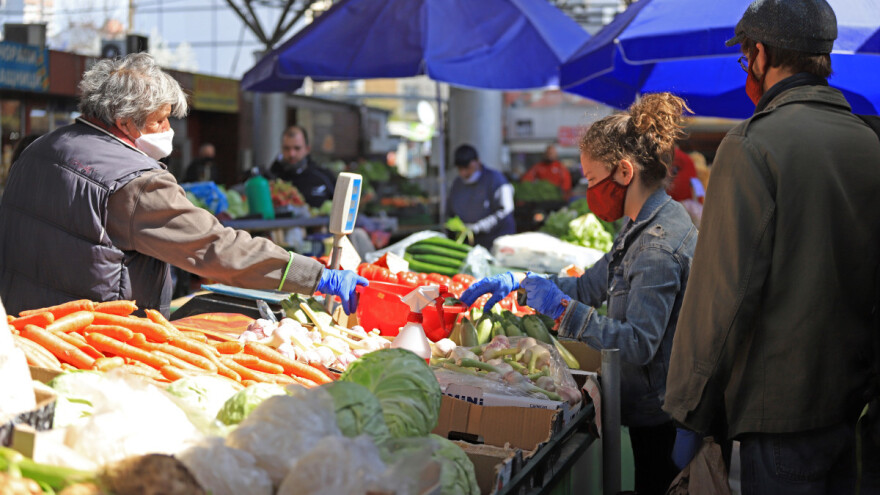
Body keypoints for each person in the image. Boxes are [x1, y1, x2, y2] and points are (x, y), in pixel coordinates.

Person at [664, 1, 880, 492]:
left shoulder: (752, 146)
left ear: (760, 55)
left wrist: (689, 410)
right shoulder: (870, 143)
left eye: (745, 60)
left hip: (779, 415)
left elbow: (723, 297)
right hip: (854, 410)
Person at [0, 53, 367, 317]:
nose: (168, 130)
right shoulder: (136, 182)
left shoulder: (38, 149)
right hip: (96, 338)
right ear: (126, 121)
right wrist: (317, 276)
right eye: (161, 120)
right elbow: (216, 249)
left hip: (24, 327)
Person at [460, 93, 697, 495]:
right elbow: (589, 286)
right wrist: (523, 282)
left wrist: (565, 311)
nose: (587, 189)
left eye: (590, 179)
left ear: (624, 172)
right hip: (648, 406)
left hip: (662, 418)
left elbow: (638, 344)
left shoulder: (657, 245)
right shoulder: (644, 222)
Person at [446, 144, 515, 250]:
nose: (464, 173)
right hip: (469, 243)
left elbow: (505, 211)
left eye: (467, 168)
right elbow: (450, 210)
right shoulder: (457, 183)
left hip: (495, 242)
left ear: (477, 161)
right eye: (460, 169)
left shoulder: (496, 179)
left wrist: (477, 227)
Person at [267, 125, 336, 208]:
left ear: (307, 149)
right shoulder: (271, 180)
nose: (292, 154)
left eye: (297, 148)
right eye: (287, 148)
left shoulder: (324, 177)